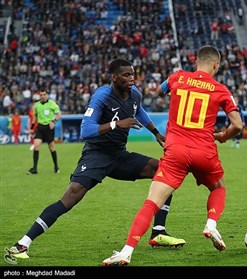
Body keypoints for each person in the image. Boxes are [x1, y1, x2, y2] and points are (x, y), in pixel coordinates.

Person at [5, 59, 185, 262]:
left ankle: (158, 233)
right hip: (96, 155)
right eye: (126, 75)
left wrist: (156, 133)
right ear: (114, 77)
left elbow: (139, 110)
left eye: (133, 74)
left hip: (119, 155)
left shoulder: (135, 93)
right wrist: (117, 124)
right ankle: (22, 244)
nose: (131, 78)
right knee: (70, 197)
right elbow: (86, 130)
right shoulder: (102, 96)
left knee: (163, 170)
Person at [101, 45, 243, 266]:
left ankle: (126, 251)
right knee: (218, 188)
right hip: (204, 151)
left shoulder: (178, 77)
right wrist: (224, 136)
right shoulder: (220, 89)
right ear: (216, 64)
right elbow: (238, 124)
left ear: (196, 62)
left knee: (152, 202)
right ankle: (211, 225)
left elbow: (159, 91)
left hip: (175, 150)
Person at [26, 89, 61, 174]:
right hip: (40, 128)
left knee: (51, 147)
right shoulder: (37, 105)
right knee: (36, 146)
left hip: (49, 128)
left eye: (44, 94)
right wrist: (31, 127)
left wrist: (53, 121)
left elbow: (58, 114)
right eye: (41, 95)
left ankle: (56, 167)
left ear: (46, 95)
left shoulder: (52, 104)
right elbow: (35, 118)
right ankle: (34, 169)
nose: (42, 96)